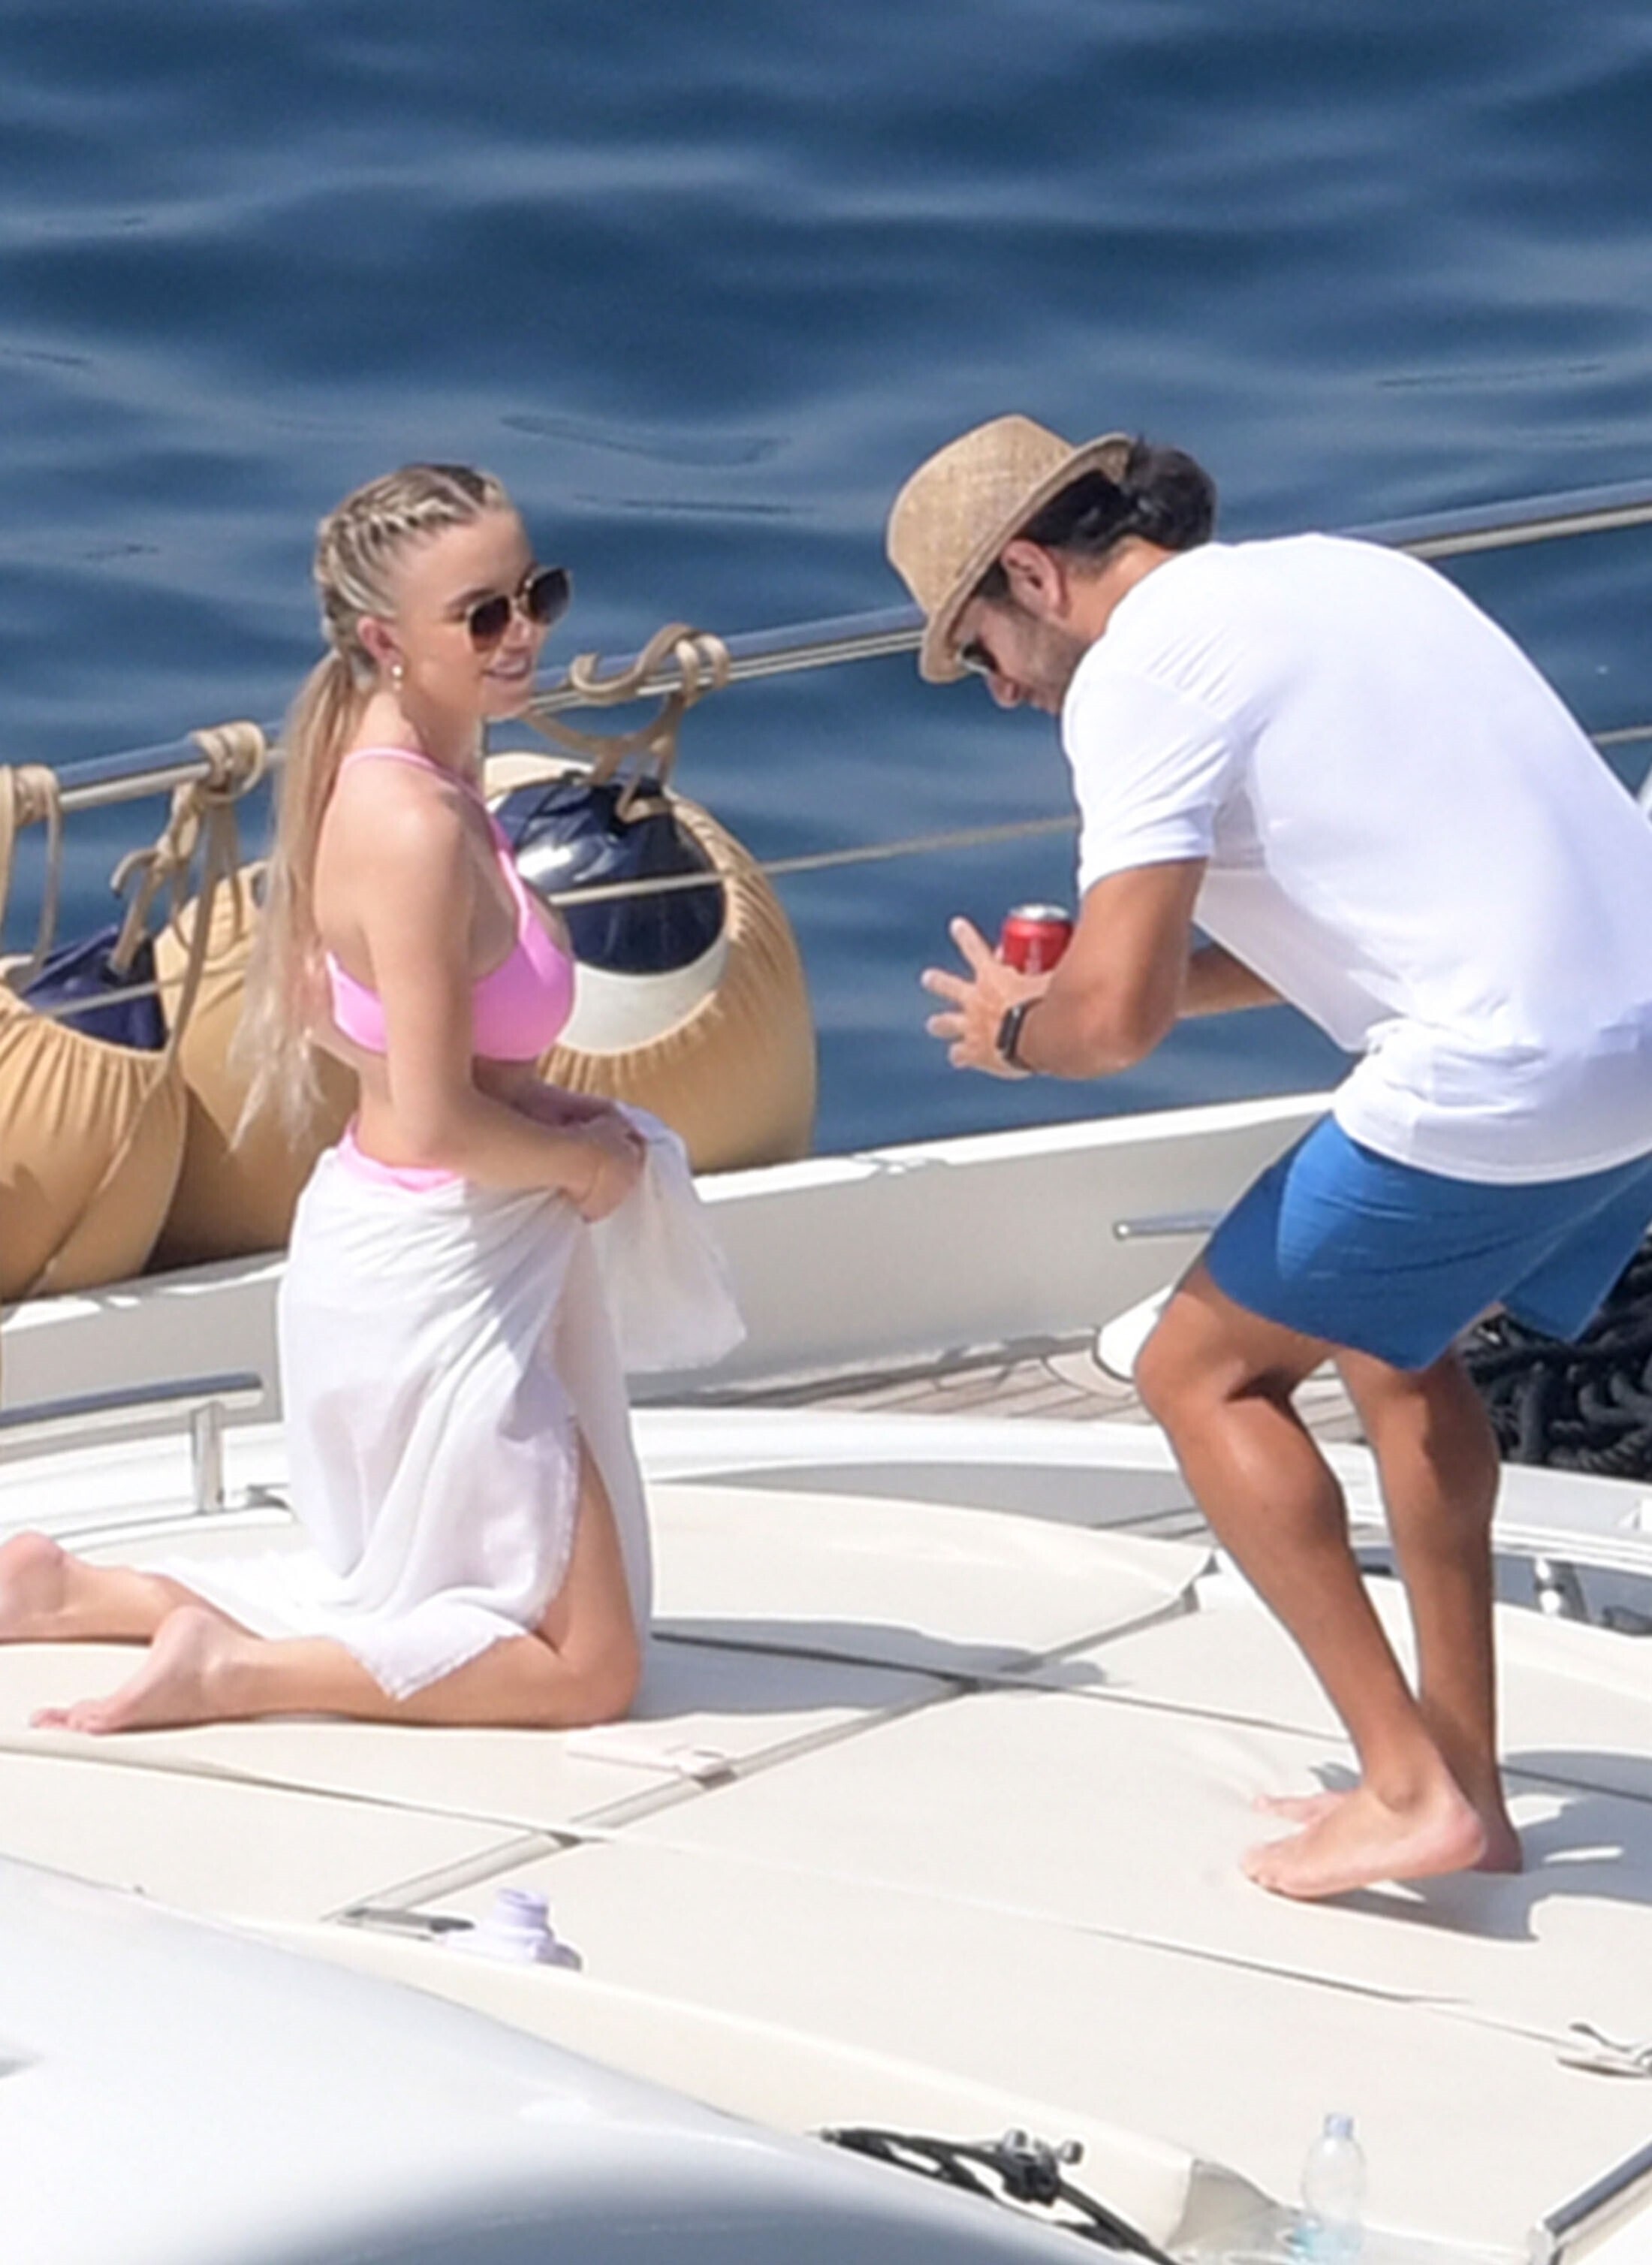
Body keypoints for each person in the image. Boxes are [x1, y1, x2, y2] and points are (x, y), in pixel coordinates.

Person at [891, 413, 1652, 1900]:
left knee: (1200, 1373)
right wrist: (1099, 996)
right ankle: (1466, 1782)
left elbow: (1112, 1023)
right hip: (1631, 1039)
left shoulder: (1138, 675)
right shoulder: (1343, 574)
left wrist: (1018, 1033)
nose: (1001, 692)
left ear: (1033, 576)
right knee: (1389, 1347)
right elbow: (1320, 917)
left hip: (1509, 1069)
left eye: (980, 652)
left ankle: (1405, 1789)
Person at [2, 462, 737, 1733]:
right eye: (483, 616)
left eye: (537, 595)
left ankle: (81, 1596)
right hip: (436, 1279)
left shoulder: (412, 771)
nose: (524, 634)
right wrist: (585, 1167)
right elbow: (440, 1121)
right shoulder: (412, 826)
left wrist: (542, 1113)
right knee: (590, 1669)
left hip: (415, 1239)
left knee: (413, 1593)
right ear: (385, 641)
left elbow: (334, 1021)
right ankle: (225, 1671)